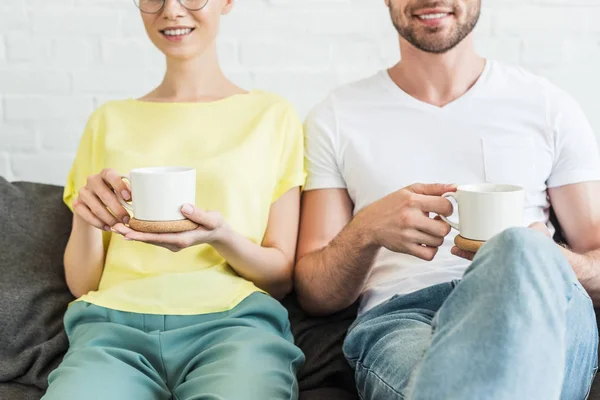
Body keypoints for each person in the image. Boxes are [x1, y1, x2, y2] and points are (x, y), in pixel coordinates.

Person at [295, 0, 600, 399]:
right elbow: (314, 294)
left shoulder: (548, 106)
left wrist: (542, 258)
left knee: (519, 245)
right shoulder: (335, 116)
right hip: (405, 316)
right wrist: (366, 230)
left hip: (533, 301)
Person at [43, 0, 305, 399]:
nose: (173, 10)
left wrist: (220, 236)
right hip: (111, 330)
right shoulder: (108, 120)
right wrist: (85, 215)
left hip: (235, 327)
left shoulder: (273, 116)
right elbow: (83, 284)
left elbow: (281, 277)